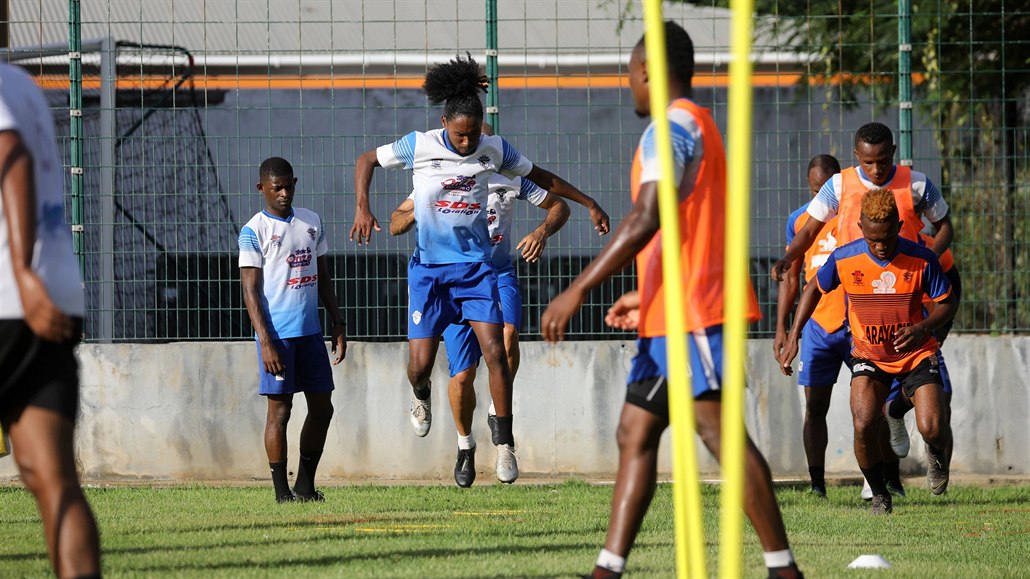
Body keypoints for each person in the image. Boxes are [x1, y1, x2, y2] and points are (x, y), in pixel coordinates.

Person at [541, 22, 802, 579]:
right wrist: (646, 292)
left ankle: (783, 569)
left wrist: (577, 288)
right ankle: (607, 569)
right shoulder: (690, 123)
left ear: (646, 73)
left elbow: (646, 217)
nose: (628, 86)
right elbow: (682, 228)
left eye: (630, 76)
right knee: (634, 432)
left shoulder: (672, 128)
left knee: (717, 431)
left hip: (697, 312)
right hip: (672, 308)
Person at [350, 53, 609, 484]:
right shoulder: (419, 144)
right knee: (419, 363)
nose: (467, 143)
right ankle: (420, 395)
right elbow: (366, 161)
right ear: (445, 122)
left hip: (475, 270)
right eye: (460, 135)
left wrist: (589, 203)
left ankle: (505, 444)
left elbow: (542, 178)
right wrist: (364, 206)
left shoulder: (494, 151)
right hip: (429, 273)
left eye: (472, 136)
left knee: (497, 351)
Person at [390, 123, 603, 487]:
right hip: (449, 276)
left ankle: (502, 432)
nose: (471, 151)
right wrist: (419, 212)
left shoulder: (509, 178)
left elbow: (557, 206)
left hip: (495, 273)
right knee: (462, 377)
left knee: (505, 339)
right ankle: (465, 445)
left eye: (479, 146)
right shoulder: (438, 177)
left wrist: (541, 232)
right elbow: (395, 223)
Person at [780, 188, 957, 514]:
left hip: (915, 352)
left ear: (899, 225)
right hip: (869, 355)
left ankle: (913, 428)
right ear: (860, 227)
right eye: (873, 239)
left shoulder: (921, 258)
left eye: (888, 238)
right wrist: (794, 335)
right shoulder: (846, 257)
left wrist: (921, 328)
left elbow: (947, 303)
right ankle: (879, 494)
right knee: (863, 424)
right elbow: (813, 289)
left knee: (931, 426)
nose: (880, 246)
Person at [0, 62, 101, 578]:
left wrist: (18, 270)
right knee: (53, 477)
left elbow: (9, 154)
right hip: (53, 294)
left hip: (10, 292)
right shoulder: (23, 85)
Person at [239, 157, 347, 503]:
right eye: (276, 188)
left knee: (322, 408)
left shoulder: (311, 222)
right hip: (278, 336)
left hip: (310, 333)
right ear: (261, 189)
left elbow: (325, 279)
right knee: (280, 411)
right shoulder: (253, 231)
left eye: (289, 185)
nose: (284, 193)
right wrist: (265, 341)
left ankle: (304, 485)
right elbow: (250, 291)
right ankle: (281, 492)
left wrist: (337, 322)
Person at [770, 121, 954, 284]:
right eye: (868, 162)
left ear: (893, 151)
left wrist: (932, 256)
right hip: (857, 283)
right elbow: (809, 230)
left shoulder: (917, 183)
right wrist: (788, 258)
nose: (876, 170)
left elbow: (945, 226)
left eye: (883, 161)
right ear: (857, 155)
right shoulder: (837, 185)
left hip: (905, 281)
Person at [773, 154, 846, 498]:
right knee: (815, 406)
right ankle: (817, 484)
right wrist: (783, 329)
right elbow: (790, 278)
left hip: (857, 318)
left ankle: (881, 480)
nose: (821, 199)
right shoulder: (800, 220)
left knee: (870, 404)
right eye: (815, 190)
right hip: (817, 322)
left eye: (825, 190)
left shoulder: (853, 213)